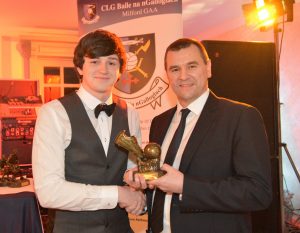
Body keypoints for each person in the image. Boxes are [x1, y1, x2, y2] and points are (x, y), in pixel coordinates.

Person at [124, 38, 272, 233]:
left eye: (191, 66)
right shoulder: (159, 122)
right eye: (175, 69)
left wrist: (186, 186)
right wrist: (141, 181)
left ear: (208, 67)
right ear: (167, 74)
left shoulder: (240, 117)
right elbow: (163, 181)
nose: (183, 76)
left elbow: (257, 192)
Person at [32, 29, 146, 233]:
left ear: (120, 70)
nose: (104, 69)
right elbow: (48, 192)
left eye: (111, 62)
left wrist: (136, 183)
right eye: (94, 61)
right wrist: (118, 194)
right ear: (80, 67)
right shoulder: (53, 113)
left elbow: (132, 168)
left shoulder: (130, 114)